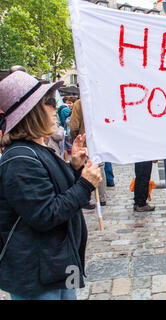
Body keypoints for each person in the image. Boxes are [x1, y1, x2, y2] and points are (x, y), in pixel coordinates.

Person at [0, 71, 102, 300]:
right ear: (31, 113)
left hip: (59, 264)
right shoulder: (19, 159)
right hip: (38, 274)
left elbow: (57, 192)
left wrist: (75, 168)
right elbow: (46, 214)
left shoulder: (35, 151)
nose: (55, 107)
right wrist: (85, 184)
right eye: (48, 102)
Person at [70, 99, 107, 208]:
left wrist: (75, 137)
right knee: (99, 168)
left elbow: (74, 126)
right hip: (98, 142)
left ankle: (87, 199)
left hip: (85, 141)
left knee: (85, 169)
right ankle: (102, 197)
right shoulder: (99, 101)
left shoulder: (79, 103)